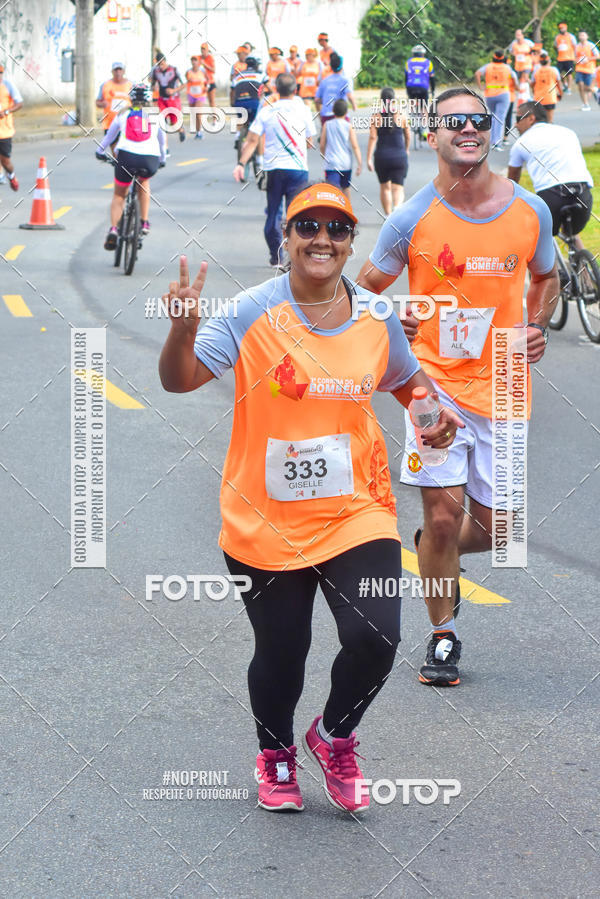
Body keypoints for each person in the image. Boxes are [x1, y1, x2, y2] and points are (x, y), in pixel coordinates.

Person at [158, 183, 463, 813]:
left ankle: (333, 736)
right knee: (282, 650)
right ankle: (275, 756)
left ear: (351, 243)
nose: (322, 238)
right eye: (308, 226)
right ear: (286, 239)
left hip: (358, 507)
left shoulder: (377, 317)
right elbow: (180, 380)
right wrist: (181, 334)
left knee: (377, 635)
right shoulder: (249, 312)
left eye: (338, 228)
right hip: (263, 518)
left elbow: (408, 382)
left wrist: (434, 412)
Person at [357, 87, 558, 687]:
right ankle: (443, 635)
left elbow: (547, 279)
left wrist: (535, 326)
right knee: (444, 520)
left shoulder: (530, 212)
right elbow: (361, 294)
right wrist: (396, 316)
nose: (467, 129)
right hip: (432, 389)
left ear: (489, 132)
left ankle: (431, 549)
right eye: (453, 122)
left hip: (504, 387)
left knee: (504, 531)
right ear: (433, 134)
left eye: (477, 120)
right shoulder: (410, 216)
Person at [233, 72, 315, 267]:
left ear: (276, 90)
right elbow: (310, 142)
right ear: (295, 90)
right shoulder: (303, 109)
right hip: (298, 170)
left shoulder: (267, 110)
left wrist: (241, 164)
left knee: (273, 213)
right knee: (295, 215)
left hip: (273, 170)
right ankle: (295, 257)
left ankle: (275, 256)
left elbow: (252, 140)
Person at [508, 101, 593, 252]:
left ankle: (552, 275)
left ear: (531, 118)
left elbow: (511, 183)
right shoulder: (568, 132)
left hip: (552, 197)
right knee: (571, 233)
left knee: (539, 239)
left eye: (519, 118)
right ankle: (587, 273)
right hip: (584, 194)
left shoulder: (521, 143)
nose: (515, 124)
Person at [95, 83, 166, 248]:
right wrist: (162, 160)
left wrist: (99, 151)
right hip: (150, 160)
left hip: (126, 157)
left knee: (119, 195)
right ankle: (144, 222)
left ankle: (113, 229)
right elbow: (162, 144)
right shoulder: (156, 115)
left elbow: (108, 138)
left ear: (131, 97)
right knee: (144, 182)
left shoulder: (122, 114)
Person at [366, 86, 410, 214]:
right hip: (399, 156)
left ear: (381, 100)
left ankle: (388, 216)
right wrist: (406, 149)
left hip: (381, 157)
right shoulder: (401, 115)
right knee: (398, 188)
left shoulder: (376, 117)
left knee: (385, 187)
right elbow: (408, 135)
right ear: (394, 100)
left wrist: (368, 158)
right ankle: (397, 209)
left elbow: (373, 138)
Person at [475, 50, 518, 148]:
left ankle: (492, 140)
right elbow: (514, 78)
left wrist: (480, 86)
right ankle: (497, 143)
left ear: (493, 57)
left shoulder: (488, 67)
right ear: (503, 58)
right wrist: (516, 87)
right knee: (500, 118)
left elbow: (477, 73)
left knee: (493, 117)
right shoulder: (507, 67)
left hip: (490, 94)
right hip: (503, 94)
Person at [320, 98, 361, 197]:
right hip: (345, 163)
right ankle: (347, 209)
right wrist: (359, 163)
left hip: (331, 163)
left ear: (333, 111)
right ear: (346, 112)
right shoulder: (348, 126)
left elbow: (322, 144)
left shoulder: (327, 125)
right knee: (346, 188)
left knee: (333, 190)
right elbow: (355, 146)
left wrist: (324, 155)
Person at [151, 54, 186, 142]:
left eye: (162, 64)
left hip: (173, 100)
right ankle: (164, 146)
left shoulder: (174, 70)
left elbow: (184, 84)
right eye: (159, 65)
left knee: (174, 124)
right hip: (162, 100)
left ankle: (181, 130)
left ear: (165, 61)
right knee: (162, 122)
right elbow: (152, 84)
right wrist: (153, 87)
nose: (161, 67)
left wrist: (174, 90)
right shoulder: (155, 71)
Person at [315, 52, 356, 125]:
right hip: (341, 115)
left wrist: (320, 114)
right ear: (342, 66)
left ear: (331, 67)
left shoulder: (324, 81)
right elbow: (349, 95)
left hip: (326, 115)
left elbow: (317, 100)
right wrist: (354, 106)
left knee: (326, 136)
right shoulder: (346, 80)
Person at [0, 63, 23, 191]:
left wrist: (6, 111)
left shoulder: (7, 85)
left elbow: (19, 103)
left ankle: (11, 175)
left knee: (5, 162)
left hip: (4, 131)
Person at [96, 62, 132, 134]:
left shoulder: (131, 85)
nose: (118, 72)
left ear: (124, 71)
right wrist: (102, 104)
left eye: (120, 70)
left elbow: (137, 103)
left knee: (125, 145)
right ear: (112, 72)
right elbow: (97, 102)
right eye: (116, 70)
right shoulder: (105, 85)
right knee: (113, 145)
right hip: (110, 123)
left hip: (126, 123)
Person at [531, 50, 562, 123]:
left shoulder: (536, 71)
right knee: (549, 120)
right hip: (550, 97)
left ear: (540, 62)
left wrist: (533, 91)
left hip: (538, 98)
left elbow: (532, 84)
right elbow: (559, 84)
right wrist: (560, 94)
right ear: (548, 61)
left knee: (540, 121)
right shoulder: (554, 70)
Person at [574, 32, 599, 110]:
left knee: (587, 88)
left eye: (583, 35)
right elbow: (574, 58)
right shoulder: (577, 46)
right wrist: (578, 60)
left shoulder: (591, 45)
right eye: (580, 35)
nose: (581, 37)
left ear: (587, 36)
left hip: (589, 69)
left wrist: (587, 59)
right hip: (579, 69)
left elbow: (598, 56)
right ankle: (585, 104)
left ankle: (595, 90)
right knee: (580, 85)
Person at [185, 56, 208, 138]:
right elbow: (186, 81)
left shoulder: (202, 71)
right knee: (193, 113)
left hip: (201, 94)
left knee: (198, 112)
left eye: (195, 60)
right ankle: (197, 131)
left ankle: (200, 130)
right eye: (192, 61)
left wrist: (206, 87)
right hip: (191, 94)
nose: (194, 62)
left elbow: (207, 80)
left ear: (198, 62)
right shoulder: (188, 72)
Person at [554, 22, 577, 93]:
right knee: (558, 73)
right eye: (560, 28)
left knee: (569, 73)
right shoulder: (557, 37)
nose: (561, 29)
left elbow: (575, 46)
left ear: (566, 28)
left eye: (562, 28)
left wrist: (575, 56)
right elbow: (555, 45)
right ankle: (565, 84)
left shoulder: (571, 36)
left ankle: (569, 88)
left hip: (569, 58)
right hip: (560, 58)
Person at [200, 43, 216, 108]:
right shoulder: (199, 58)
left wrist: (204, 64)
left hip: (211, 82)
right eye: (202, 49)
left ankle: (214, 117)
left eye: (204, 49)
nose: (202, 50)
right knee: (200, 101)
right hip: (202, 83)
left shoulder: (210, 58)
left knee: (211, 101)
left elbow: (213, 70)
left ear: (207, 50)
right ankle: (199, 117)